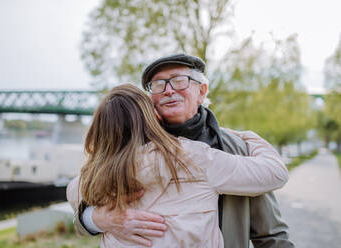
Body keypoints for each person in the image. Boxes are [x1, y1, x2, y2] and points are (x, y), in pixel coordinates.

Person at [67, 54, 295, 248]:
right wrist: (97, 218)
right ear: (149, 102)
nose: (168, 90)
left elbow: (271, 234)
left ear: (202, 91)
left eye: (179, 81)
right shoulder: (124, 154)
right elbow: (82, 202)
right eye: (158, 84)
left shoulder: (237, 148)